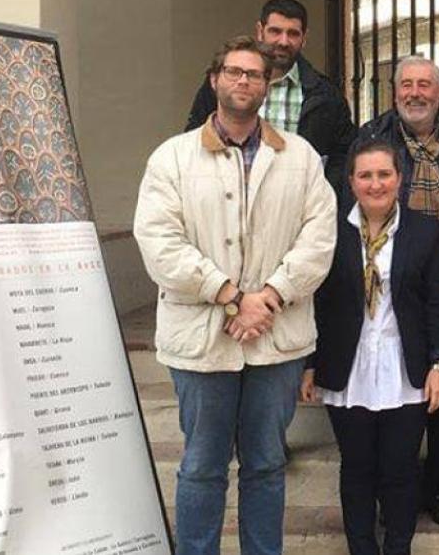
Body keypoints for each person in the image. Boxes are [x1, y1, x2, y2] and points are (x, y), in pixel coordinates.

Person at [133, 36, 337, 555]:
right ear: (215, 80)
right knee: (202, 465)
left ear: (268, 87)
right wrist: (228, 295)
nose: (244, 81)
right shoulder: (172, 159)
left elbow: (319, 239)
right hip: (202, 342)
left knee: (266, 463)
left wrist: (268, 297)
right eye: (234, 72)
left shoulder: (302, 158)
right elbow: (158, 242)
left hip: (276, 336)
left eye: (255, 74)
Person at [300, 138, 439, 555]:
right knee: (357, 468)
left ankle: (398, 548)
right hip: (347, 368)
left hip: (407, 367)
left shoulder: (424, 231)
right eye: (365, 175)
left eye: (384, 174)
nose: (375, 184)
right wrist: (310, 364)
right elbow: (317, 301)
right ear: (350, 182)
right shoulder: (332, 233)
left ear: (399, 179)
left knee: (401, 470)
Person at [355, 53, 439, 525]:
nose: (416, 93)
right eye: (407, 84)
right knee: (391, 396)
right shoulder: (370, 139)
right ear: (395, 91)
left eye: (425, 85)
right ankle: (392, 491)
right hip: (391, 281)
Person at [185, 0, 356, 190]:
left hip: (294, 205)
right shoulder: (225, 85)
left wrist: (320, 190)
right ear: (260, 31)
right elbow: (196, 139)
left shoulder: (326, 95)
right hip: (227, 198)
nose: (283, 41)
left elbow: (343, 155)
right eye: (275, 31)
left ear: (304, 38)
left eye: (293, 33)